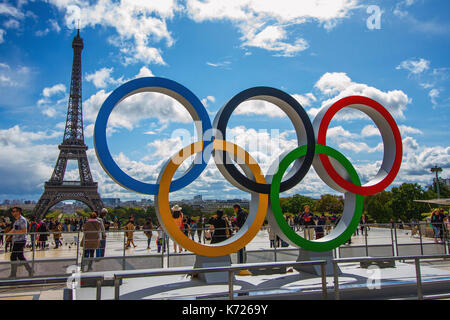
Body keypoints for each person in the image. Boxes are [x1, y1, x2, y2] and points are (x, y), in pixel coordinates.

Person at [8, 207, 33, 278]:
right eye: (12, 211)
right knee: (20, 256)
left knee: (13, 257)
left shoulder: (22, 220)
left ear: (19, 212)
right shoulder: (17, 220)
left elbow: (24, 231)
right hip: (17, 240)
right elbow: (14, 229)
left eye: (15, 211)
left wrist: (13, 233)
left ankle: (13, 274)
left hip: (20, 240)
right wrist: (7, 235)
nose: (13, 213)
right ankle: (30, 270)